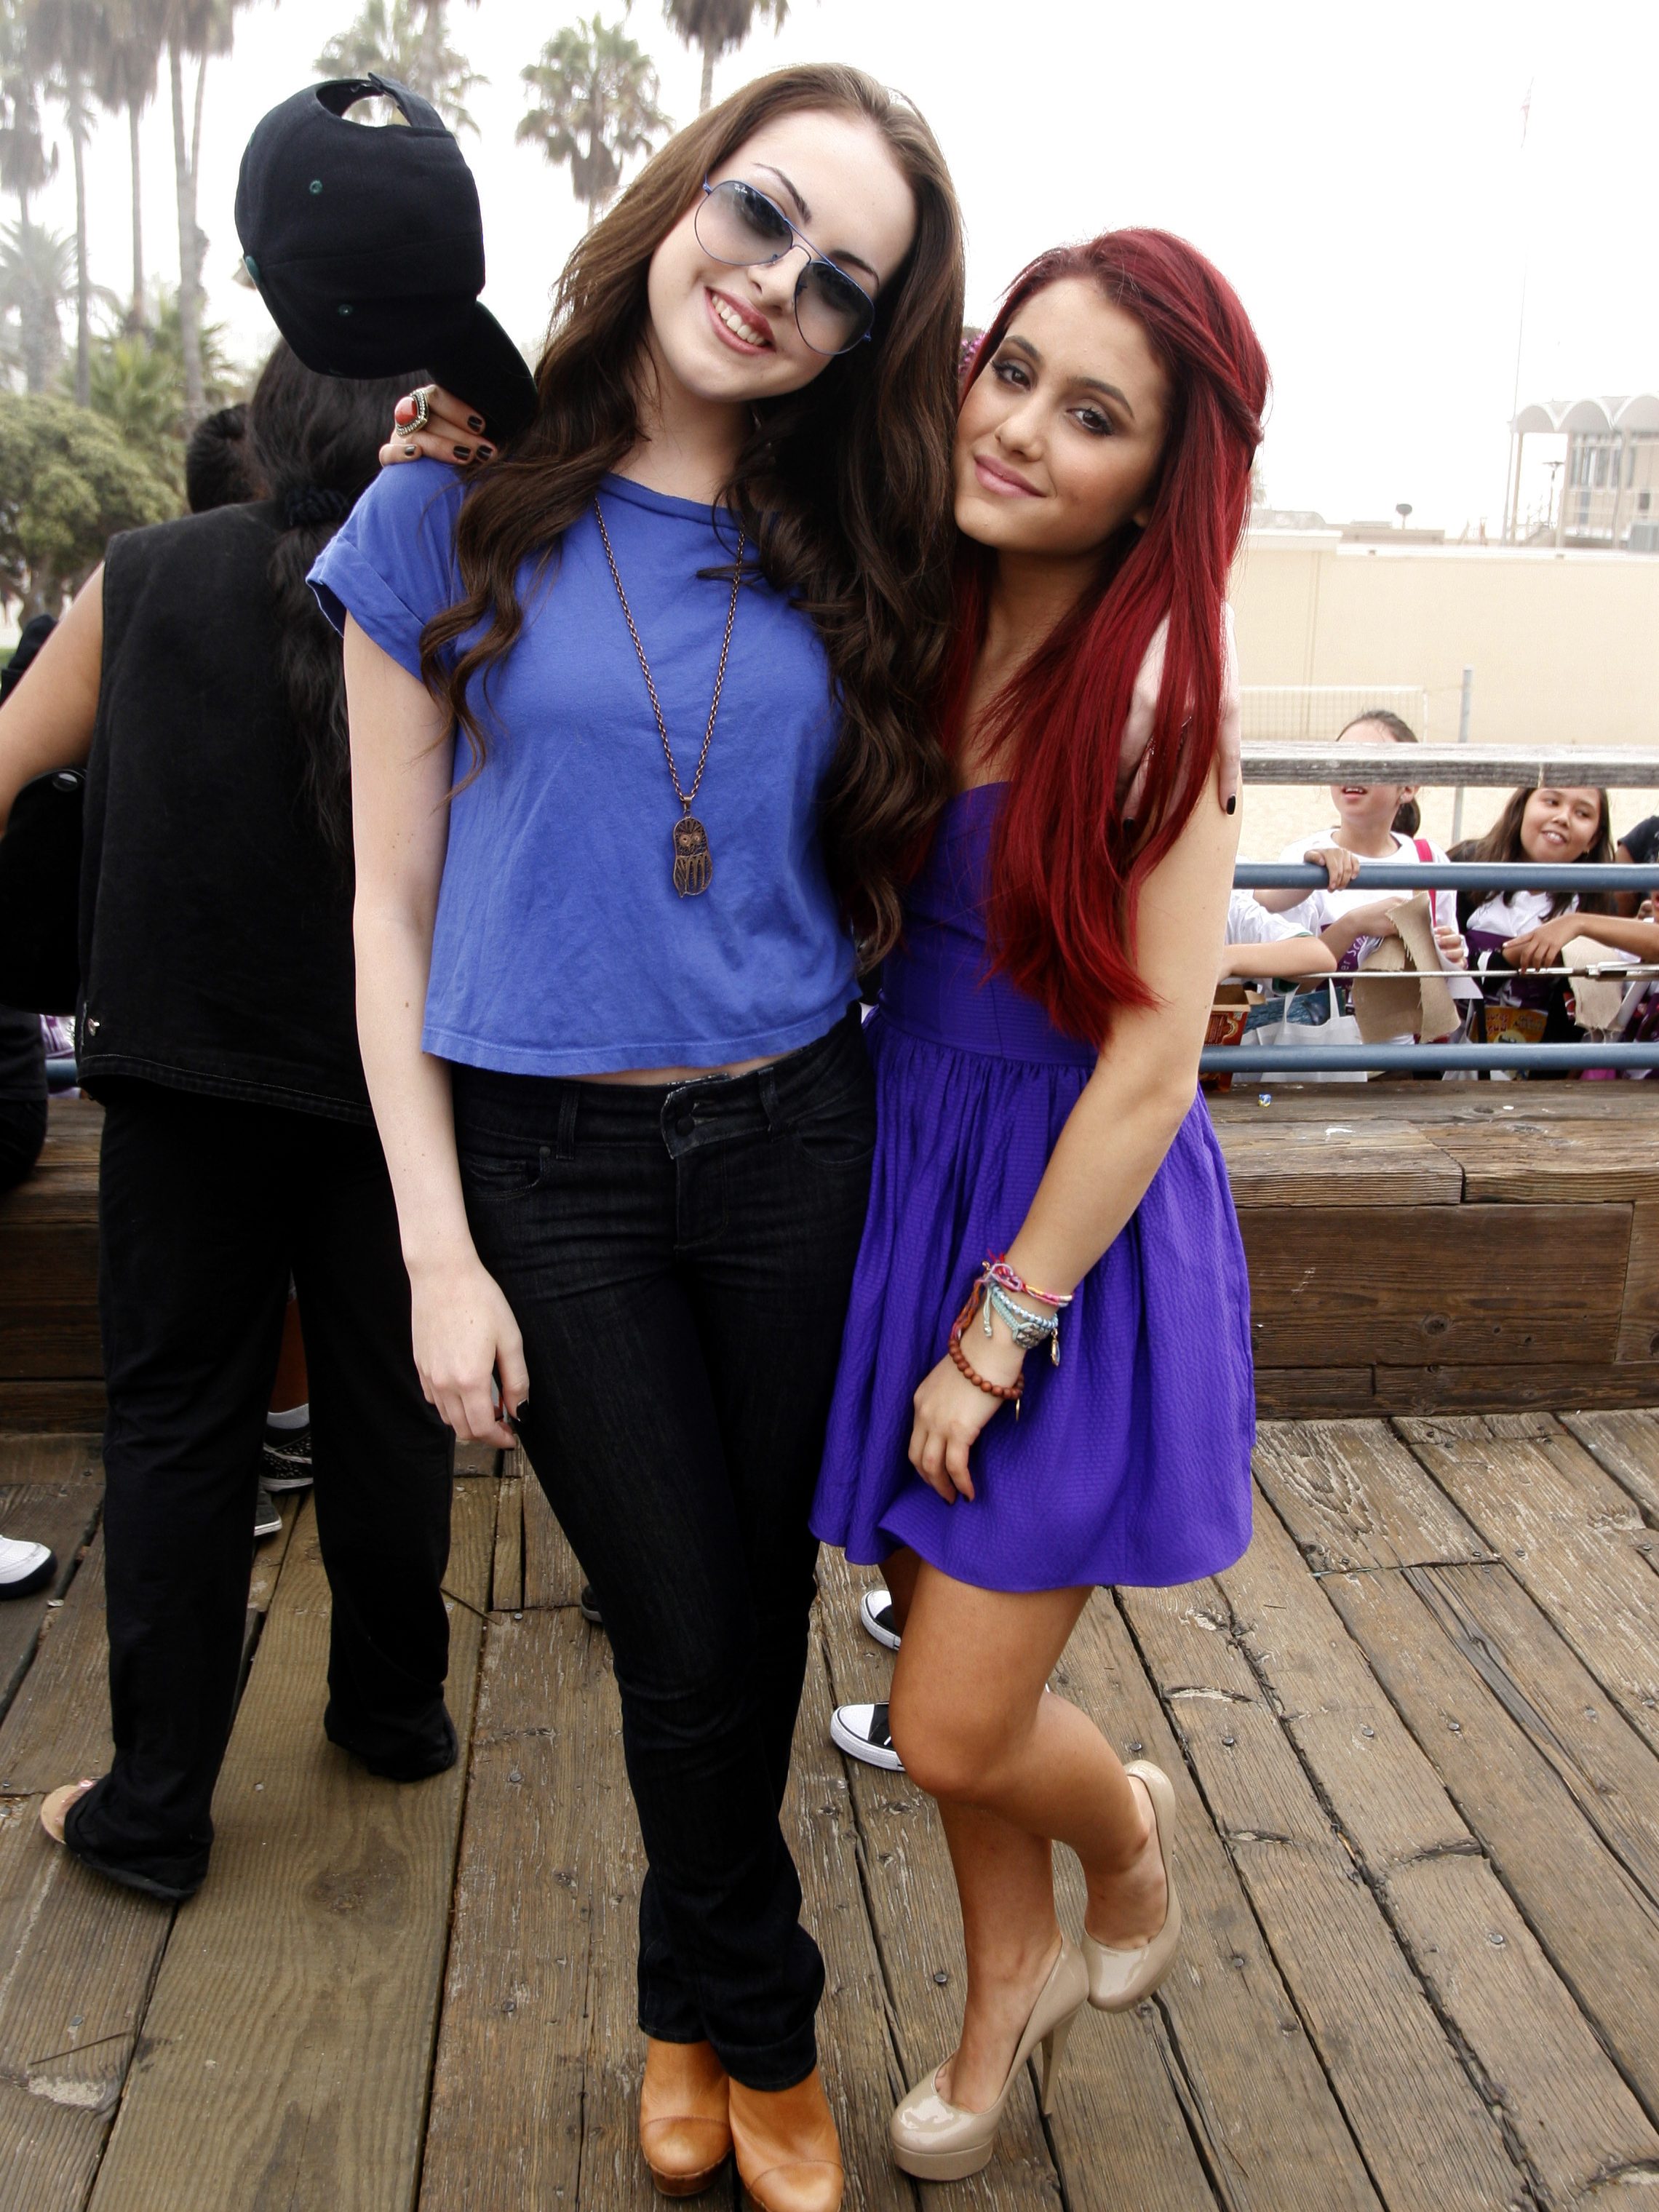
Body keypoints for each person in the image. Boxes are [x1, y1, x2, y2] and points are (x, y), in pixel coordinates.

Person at [318, 65, 966, 2212]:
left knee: (743, 1614)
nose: (774, 285)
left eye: (838, 280)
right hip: (547, 1171)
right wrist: (431, 1250)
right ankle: (769, 2021)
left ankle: (679, 2006)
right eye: (759, 218)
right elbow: (385, 906)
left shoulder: (865, 541)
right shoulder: (442, 509)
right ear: (684, 195)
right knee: (683, 1613)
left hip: (799, 1134)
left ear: (870, 334)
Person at [809, 230, 1262, 2182]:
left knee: (960, 1719)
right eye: (1014, 372)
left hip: (1065, 1228)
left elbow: (1155, 1067)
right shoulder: (915, 617)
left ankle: (1133, 1847)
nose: (1021, 428)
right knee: (932, 1660)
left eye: (1094, 418)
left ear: (1160, 482)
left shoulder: (1158, 697)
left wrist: (995, 1335)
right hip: (901, 1164)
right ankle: (1006, 1998)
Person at [0, 342, 457, 1903]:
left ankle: (157, 1805)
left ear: (263, 426)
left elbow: (2, 766)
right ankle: (394, 1713)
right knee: (390, 1408)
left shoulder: (145, 575)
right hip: (394, 1074)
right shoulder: (453, 584)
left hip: (181, 1074)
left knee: (181, 1425)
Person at [1252, 712, 1472, 1049]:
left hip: (1403, 1065)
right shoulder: (1303, 858)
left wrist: (1452, 957)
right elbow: (1285, 984)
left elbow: (1445, 972)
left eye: (1371, 760)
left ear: (1409, 787)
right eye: (1342, 759)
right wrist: (1354, 924)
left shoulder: (1430, 860)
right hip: (1317, 1063)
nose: (1352, 770)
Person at [1452, 785, 1618, 1043]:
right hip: (1451, 1058)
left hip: (1542, 1069)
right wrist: (1505, 960)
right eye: (1552, 802)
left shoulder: (1596, 901)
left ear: (1593, 839)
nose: (1563, 818)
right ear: (1523, 807)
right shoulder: (1466, 868)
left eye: (1582, 814)